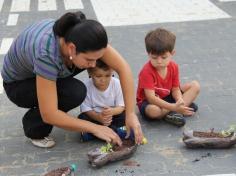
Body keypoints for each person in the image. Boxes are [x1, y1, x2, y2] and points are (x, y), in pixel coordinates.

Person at [1, 11, 143, 148]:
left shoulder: (82, 37)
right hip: (18, 84)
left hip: (52, 64)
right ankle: (34, 127)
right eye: (89, 60)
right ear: (72, 49)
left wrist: (130, 113)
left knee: (85, 67)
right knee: (74, 92)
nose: (94, 65)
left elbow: (123, 68)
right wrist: (95, 128)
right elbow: (50, 114)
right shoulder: (46, 55)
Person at [136, 28, 200, 127]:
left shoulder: (174, 67)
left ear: (172, 54)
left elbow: (175, 89)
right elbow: (151, 98)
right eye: (154, 57)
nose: (159, 61)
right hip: (150, 102)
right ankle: (175, 111)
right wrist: (174, 107)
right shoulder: (146, 72)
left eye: (164, 57)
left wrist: (179, 100)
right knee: (153, 111)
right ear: (148, 54)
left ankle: (173, 111)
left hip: (167, 96)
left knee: (195, 86)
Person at [79, 59, 126, 141]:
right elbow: (86, 109)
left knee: (124, 115)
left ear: (112, 72)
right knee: (82, 118)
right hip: (95, 117)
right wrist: (98, 117)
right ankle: (115, 132)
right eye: (98, 76)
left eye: (107, 76)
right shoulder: (85, 86)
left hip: (112, 116)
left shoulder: (116, 83)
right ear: (90, 73)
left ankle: (93, 134)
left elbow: (121, 107)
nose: (103, 80)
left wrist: (111, 112)